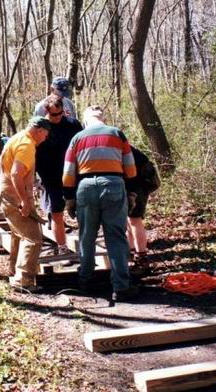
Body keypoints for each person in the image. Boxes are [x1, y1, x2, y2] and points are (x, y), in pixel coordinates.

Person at [62, 106, 138, 302]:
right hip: (113, 184)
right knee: (116, 237)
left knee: (86, 236)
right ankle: (121, 287)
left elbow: (68, 173)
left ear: (86, 121)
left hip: (85, 187)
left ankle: (86, 281)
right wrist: (131, 193)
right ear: (103, 119)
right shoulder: (117, 134)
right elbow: (130, 169)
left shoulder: (76, 138)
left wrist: (69, 198)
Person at [0, 116, 51, 292]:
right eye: (46, 135)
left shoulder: (16, 137)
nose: (45, 139)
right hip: (13, 195)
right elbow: (15, 174)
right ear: (40, 130)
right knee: (33, 239)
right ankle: (23, 281)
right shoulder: (27, 145)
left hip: (4, 190)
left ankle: (13, 272)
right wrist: (24, 201)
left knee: (19, 235)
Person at [35, 94, 82, 257]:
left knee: (81, 209)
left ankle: (85, 243)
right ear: (46, 112)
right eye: (53, 114)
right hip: (50, 177)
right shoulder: (41, 127)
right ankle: (62, 247)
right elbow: (33, 153)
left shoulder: (73, 124)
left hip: (73, 175)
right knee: (56, 212)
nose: (57, 117)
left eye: (60, 113)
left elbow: (81, 147)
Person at [125, 146, 161, 267]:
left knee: (134, 220)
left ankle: (141, 255)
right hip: (137, 186)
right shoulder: (125, 148)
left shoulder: (123, 150)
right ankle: (130, 251)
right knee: (129, 220)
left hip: (137, 188)